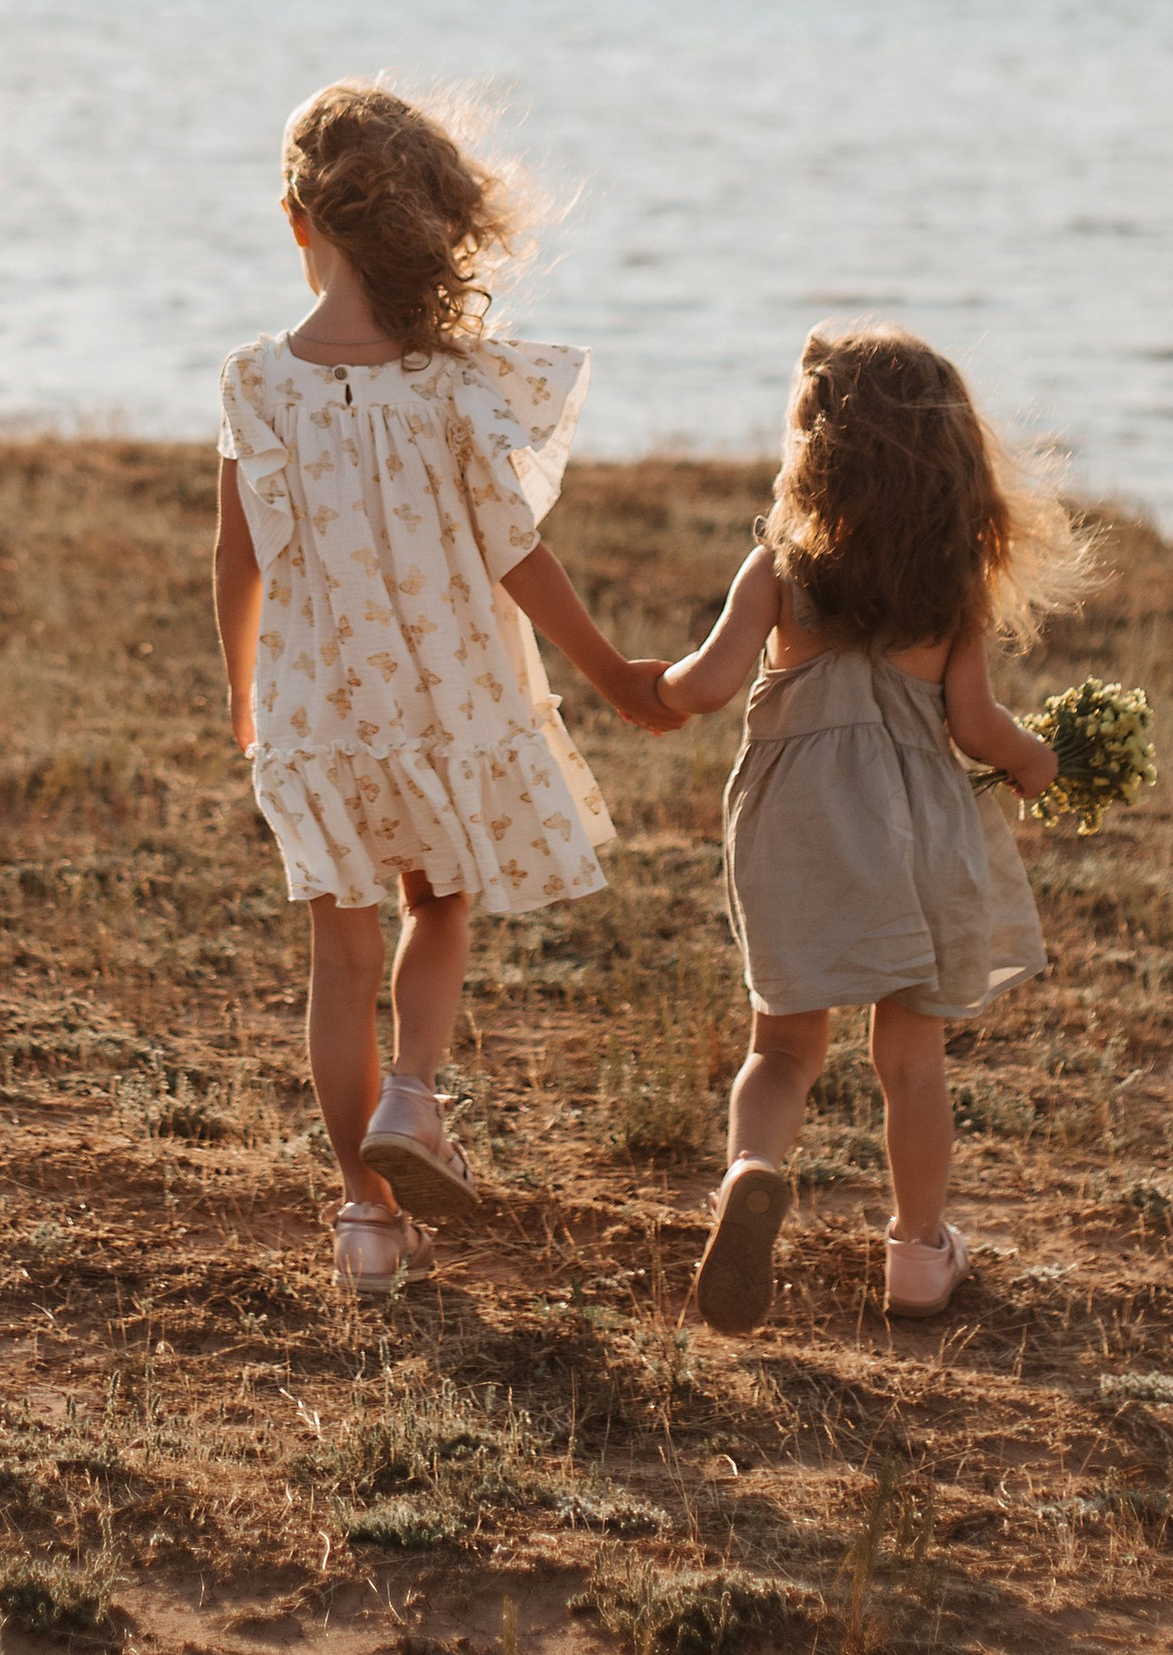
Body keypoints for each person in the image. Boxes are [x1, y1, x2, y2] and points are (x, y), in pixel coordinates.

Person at [213, 80, 676, 1297]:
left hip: (319, 713)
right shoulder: (454, 384)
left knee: (337, 963)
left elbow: (235, 557)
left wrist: (243, 699)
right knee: (440, 900)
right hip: (446, 700)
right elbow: (516, 552)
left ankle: (363, 1222)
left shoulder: (255, 380)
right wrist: (614, 673)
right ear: (428, 227)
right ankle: (412, 1096)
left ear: (294, 218)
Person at [653, 327, 1085, 1333]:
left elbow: (707, 686)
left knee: (784, 1051)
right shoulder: (951, 590)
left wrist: (651, 686)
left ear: (815, 448)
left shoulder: (778, 569)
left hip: (799, 830)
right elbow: (974, 727)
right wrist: (1031, 760)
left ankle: (750, 1175)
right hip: (917, 838)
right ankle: (918, 1255)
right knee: (910, 1061)